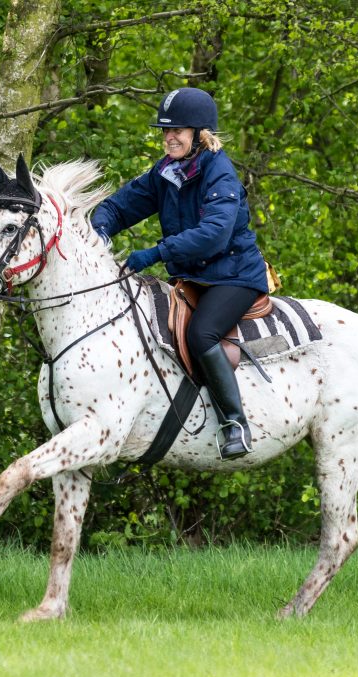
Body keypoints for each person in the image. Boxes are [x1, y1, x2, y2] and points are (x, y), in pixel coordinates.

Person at [91, 87, 268, 460]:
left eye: (178, 131)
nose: (169, 137)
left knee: (201, 333)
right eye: (165, 131)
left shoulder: (220, 174)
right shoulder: (167, 172)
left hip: (232, 275)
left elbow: (213, 235)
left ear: (200, 135)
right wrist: (98, 230)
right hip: (191, 278)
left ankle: (235, 423)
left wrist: (155, 253)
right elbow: (120, 206)